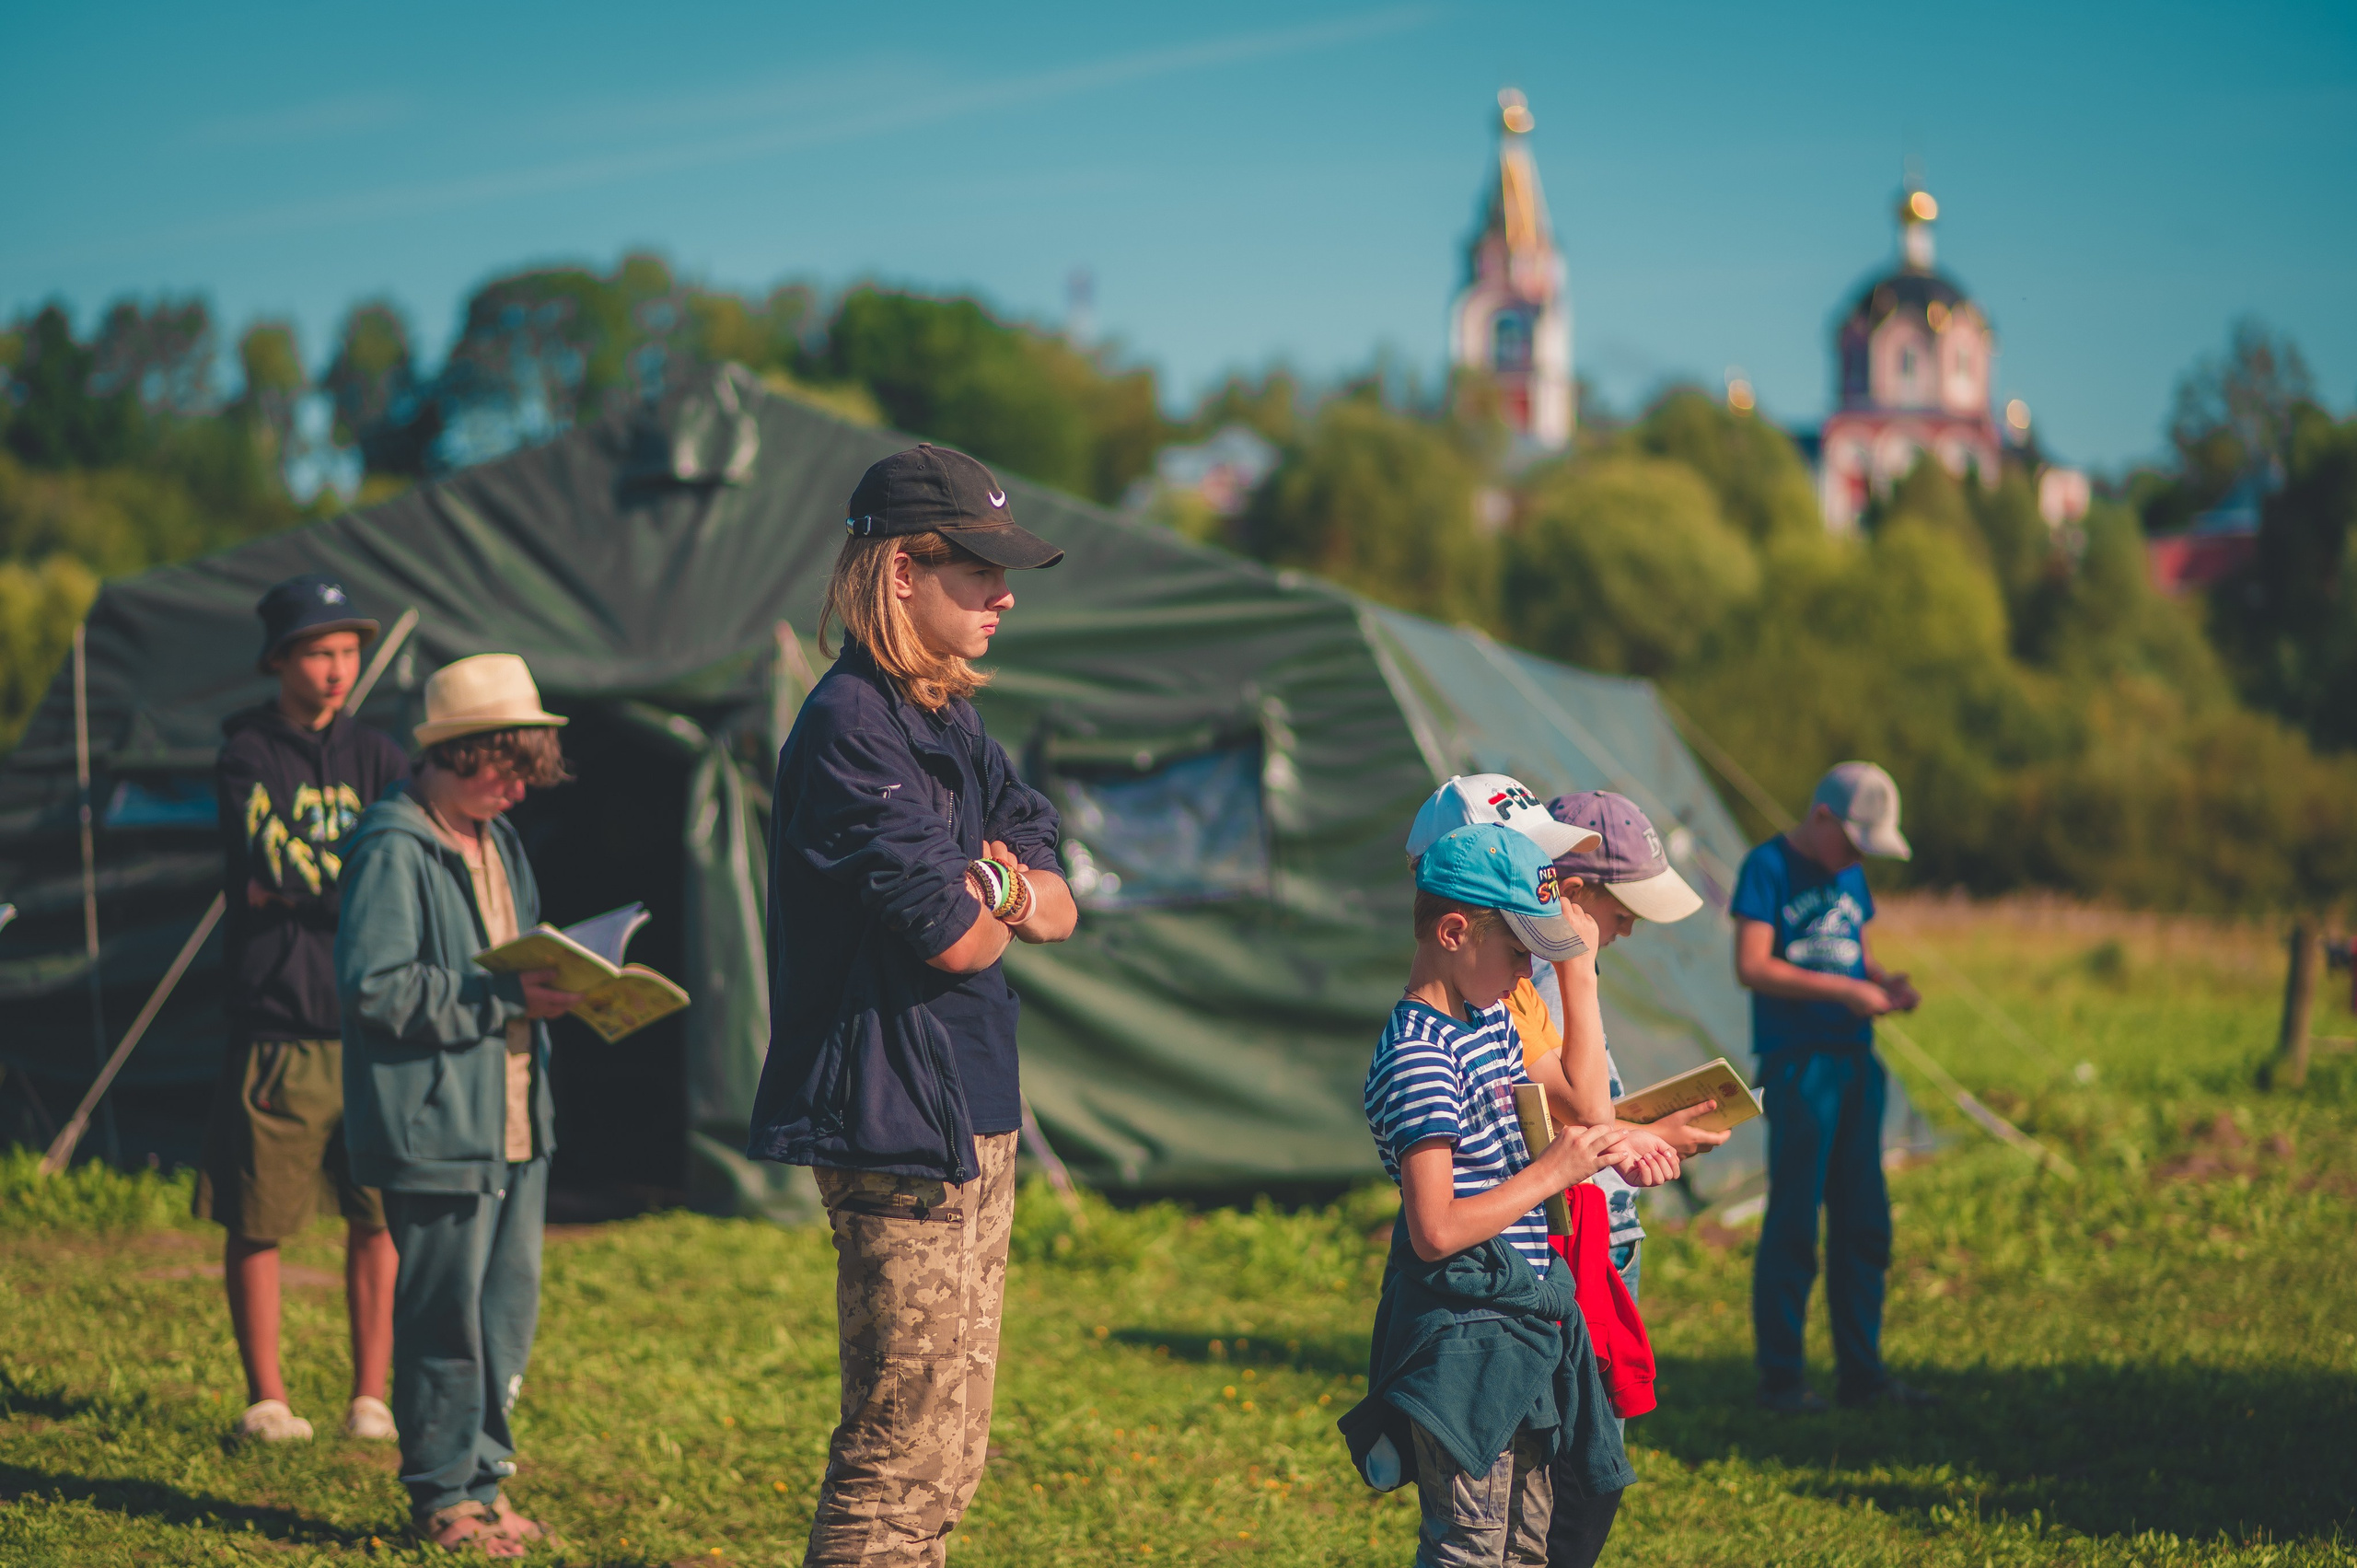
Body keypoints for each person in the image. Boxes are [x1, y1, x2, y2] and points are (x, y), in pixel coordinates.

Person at [747, 443, 1079, 1568]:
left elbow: (1060, 903)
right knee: (898, 1456)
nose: (1006, 592)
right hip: (898, 1122)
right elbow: (958, 934)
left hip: (971, 1108)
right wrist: (1000, 893)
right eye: (977, 569)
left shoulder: (950, 723)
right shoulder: (850, 726)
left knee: (950, 1451)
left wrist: (1005, 887)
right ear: (900, 572)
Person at [1344, 823, 1659, 1568]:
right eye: (1520, 952)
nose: (1527, 976)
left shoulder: (1489, 1023)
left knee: (1527, 1542)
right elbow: (1437, 1229)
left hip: (1519, 1324)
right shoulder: (1419, 1055)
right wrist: (1553, 1172)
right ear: (1455, 931)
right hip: (1464, 1339)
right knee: (1471, 1546)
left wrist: (1615, 1144)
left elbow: (1568, 1114)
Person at [336, 654, 579, 1556]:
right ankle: (442, 1496)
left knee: (503, 1313)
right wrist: (506, 999)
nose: (518, 790)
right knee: (444, 1315)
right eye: (507, 769)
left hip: (515, 1120)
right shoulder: (392, 848)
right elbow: (378, 990)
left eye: (527, 774)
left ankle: (485, 1483)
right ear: (459, 751)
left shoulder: (499, 841)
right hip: (438, 1127)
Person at [196, 574, 407, 1446]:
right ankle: (269, 1399)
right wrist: (345, 874)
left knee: (379, 1215)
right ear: (280, 658)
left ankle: (370, 1398)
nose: (337, 668)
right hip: (278, 1020)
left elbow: (395, 867)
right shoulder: (246, 751)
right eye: (319, 651)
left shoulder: (383, 756)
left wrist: (314, 877)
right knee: (258, 1213)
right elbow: (274, 860)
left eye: (349, 650)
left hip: (368, 1019)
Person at [1730, 761, 1933, 1413]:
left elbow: (1855, 949)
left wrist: (1883, 980)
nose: (1855, 858)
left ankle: (1863, 1373)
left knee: (1863, 1217)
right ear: (1822, 819)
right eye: (1852, 843)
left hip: (1855, 1061)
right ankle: (1782, 1379)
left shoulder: (1849, 871)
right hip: (1800, 1063)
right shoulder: (1766, 867)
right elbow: (1752, 964)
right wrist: (1846, 991)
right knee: (1795, 1219)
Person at [1519, 791, 1728, 1306]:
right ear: (1571, 892)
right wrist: (1654, 1135)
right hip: (1585, 1239)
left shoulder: (1556, 974)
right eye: (1624, 911)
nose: (1631, 929)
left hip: (1604, 1228)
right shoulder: (1548, 981)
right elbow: (1554, 1119)